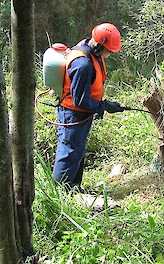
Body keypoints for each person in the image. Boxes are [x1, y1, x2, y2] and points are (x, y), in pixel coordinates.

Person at [52, 23, 125, 190]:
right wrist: (103, 106)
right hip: (72, 114)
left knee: (77, 151)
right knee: (69, 153)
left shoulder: (90, 50)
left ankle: (73, 188)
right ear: (100, 46)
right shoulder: (83, 65)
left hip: (82, 114)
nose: (110, 54)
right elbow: (80, 100)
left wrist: (98, 107)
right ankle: (59, 195)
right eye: (109, 50)